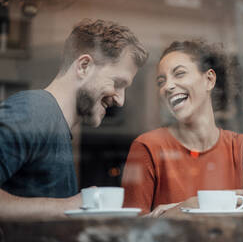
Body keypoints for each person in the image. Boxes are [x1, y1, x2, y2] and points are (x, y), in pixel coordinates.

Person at [121, 39, 243, 217]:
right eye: (161, 81)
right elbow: (132, 228)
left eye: (179, 74)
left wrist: (197, 205)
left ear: (209, 80)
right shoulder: (147, 146)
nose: (167, 86)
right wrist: (190, 207)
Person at [0, 19, 148, 219]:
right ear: (84, 66)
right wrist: (71, 207)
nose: (121, 100)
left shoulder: (54, 124)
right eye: (117, 83)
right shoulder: (35, 112)